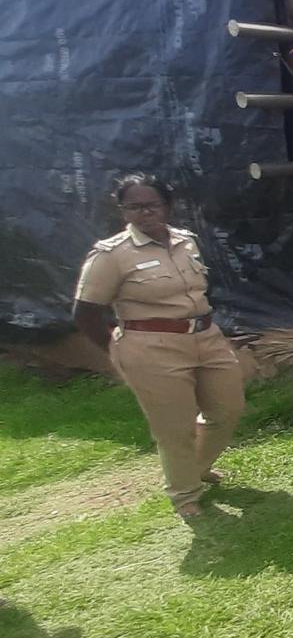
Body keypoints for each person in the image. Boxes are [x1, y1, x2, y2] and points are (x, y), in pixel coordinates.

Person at [73, 173, 245, 518]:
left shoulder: (186, 241)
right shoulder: (111, 255)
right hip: (151, 345)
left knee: (227, 409)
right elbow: (86, 312)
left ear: (167, 206)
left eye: (152, 205)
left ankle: (197, 466)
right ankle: (185, 495)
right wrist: (116, 350)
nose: (144, 213)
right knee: (174, 425)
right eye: (133, 207)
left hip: (205, 336)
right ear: (122, 210)